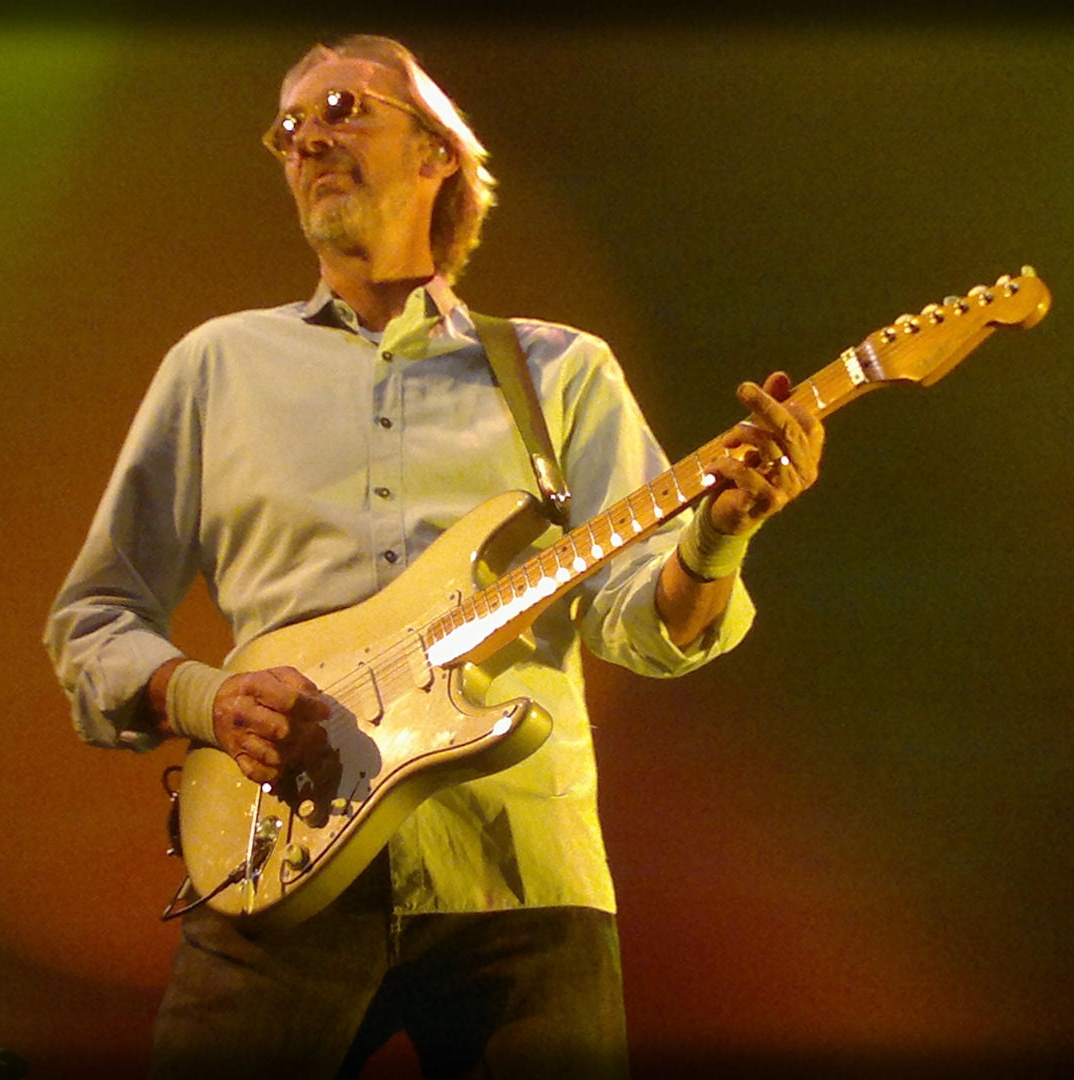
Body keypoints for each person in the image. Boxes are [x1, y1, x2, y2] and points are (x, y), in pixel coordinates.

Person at [43, 33, 823, 1077]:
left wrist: (723, 532)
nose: (309, 137)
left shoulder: (561, 370)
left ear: (438, 152)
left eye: (344, 109)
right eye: (289, 126)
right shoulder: (217, 365)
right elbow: (92, 620)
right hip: (274, 867)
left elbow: (639, 627)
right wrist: (206, 701)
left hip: (517, 879)